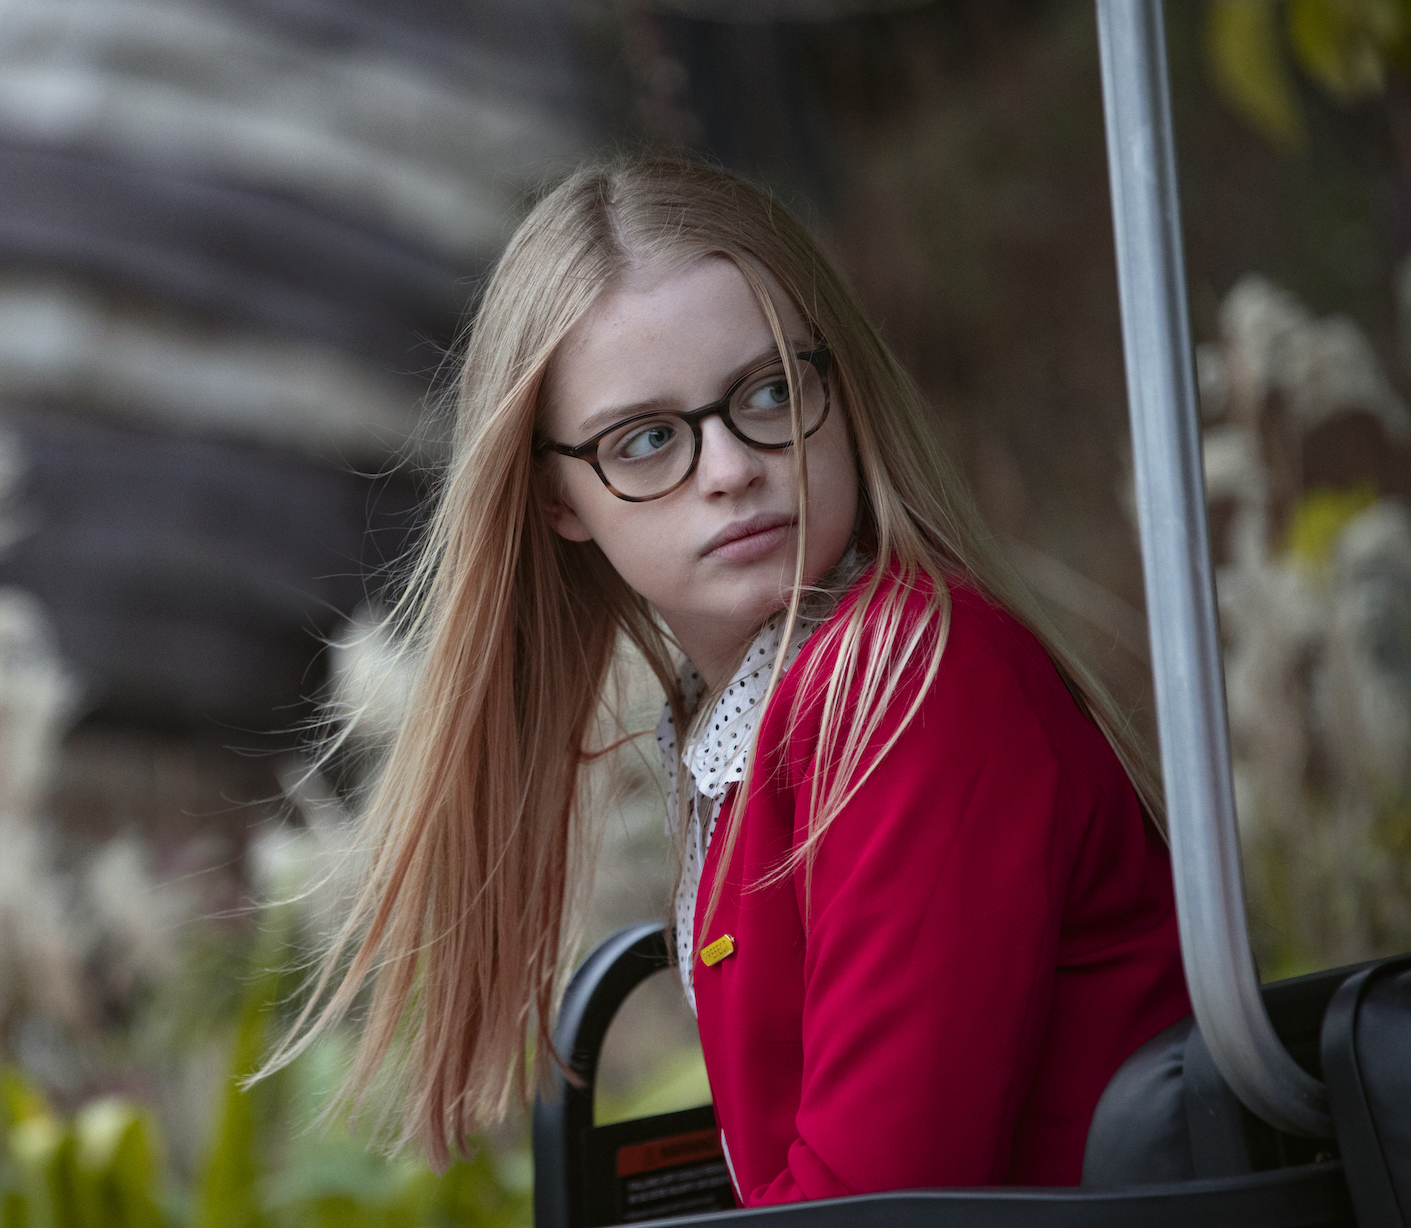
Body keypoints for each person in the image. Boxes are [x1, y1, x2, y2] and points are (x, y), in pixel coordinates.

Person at [264, 153, 1191, 1204]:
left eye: (771, 391)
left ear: (840, 390)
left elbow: (873, 1204)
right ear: (557, 498)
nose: (730, 468)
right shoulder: (756, 717)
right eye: (646, 439)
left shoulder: (908, 686)